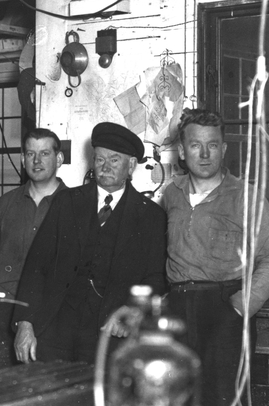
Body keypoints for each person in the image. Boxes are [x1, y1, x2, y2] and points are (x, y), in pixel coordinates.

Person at [160, 108, 269, 406]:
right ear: (182, 151)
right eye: (195, 145)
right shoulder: (171, 194)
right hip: (177, 312)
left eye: (212, 145)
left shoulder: (246, 196)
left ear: (224, 149)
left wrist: (240, 306)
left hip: (224, 312)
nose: (204, 154)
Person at [14, 122, 167, 364]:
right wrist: (24, 323)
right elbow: (36, 265)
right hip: (55, 330)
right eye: (100, 159)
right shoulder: (66, 202)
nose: (105, 167)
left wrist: (133, 311)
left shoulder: (151, 216)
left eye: (114, 160)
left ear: (131, 165)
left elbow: (155, 278)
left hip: (111, 335)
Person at [0, 128, 66, 369]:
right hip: (2, 313)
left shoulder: (74, 205)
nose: (37, 161)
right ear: (22, 159)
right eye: (30, 154)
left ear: (59, 159)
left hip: (51, 315)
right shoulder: (4, 205)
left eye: (44, 153)